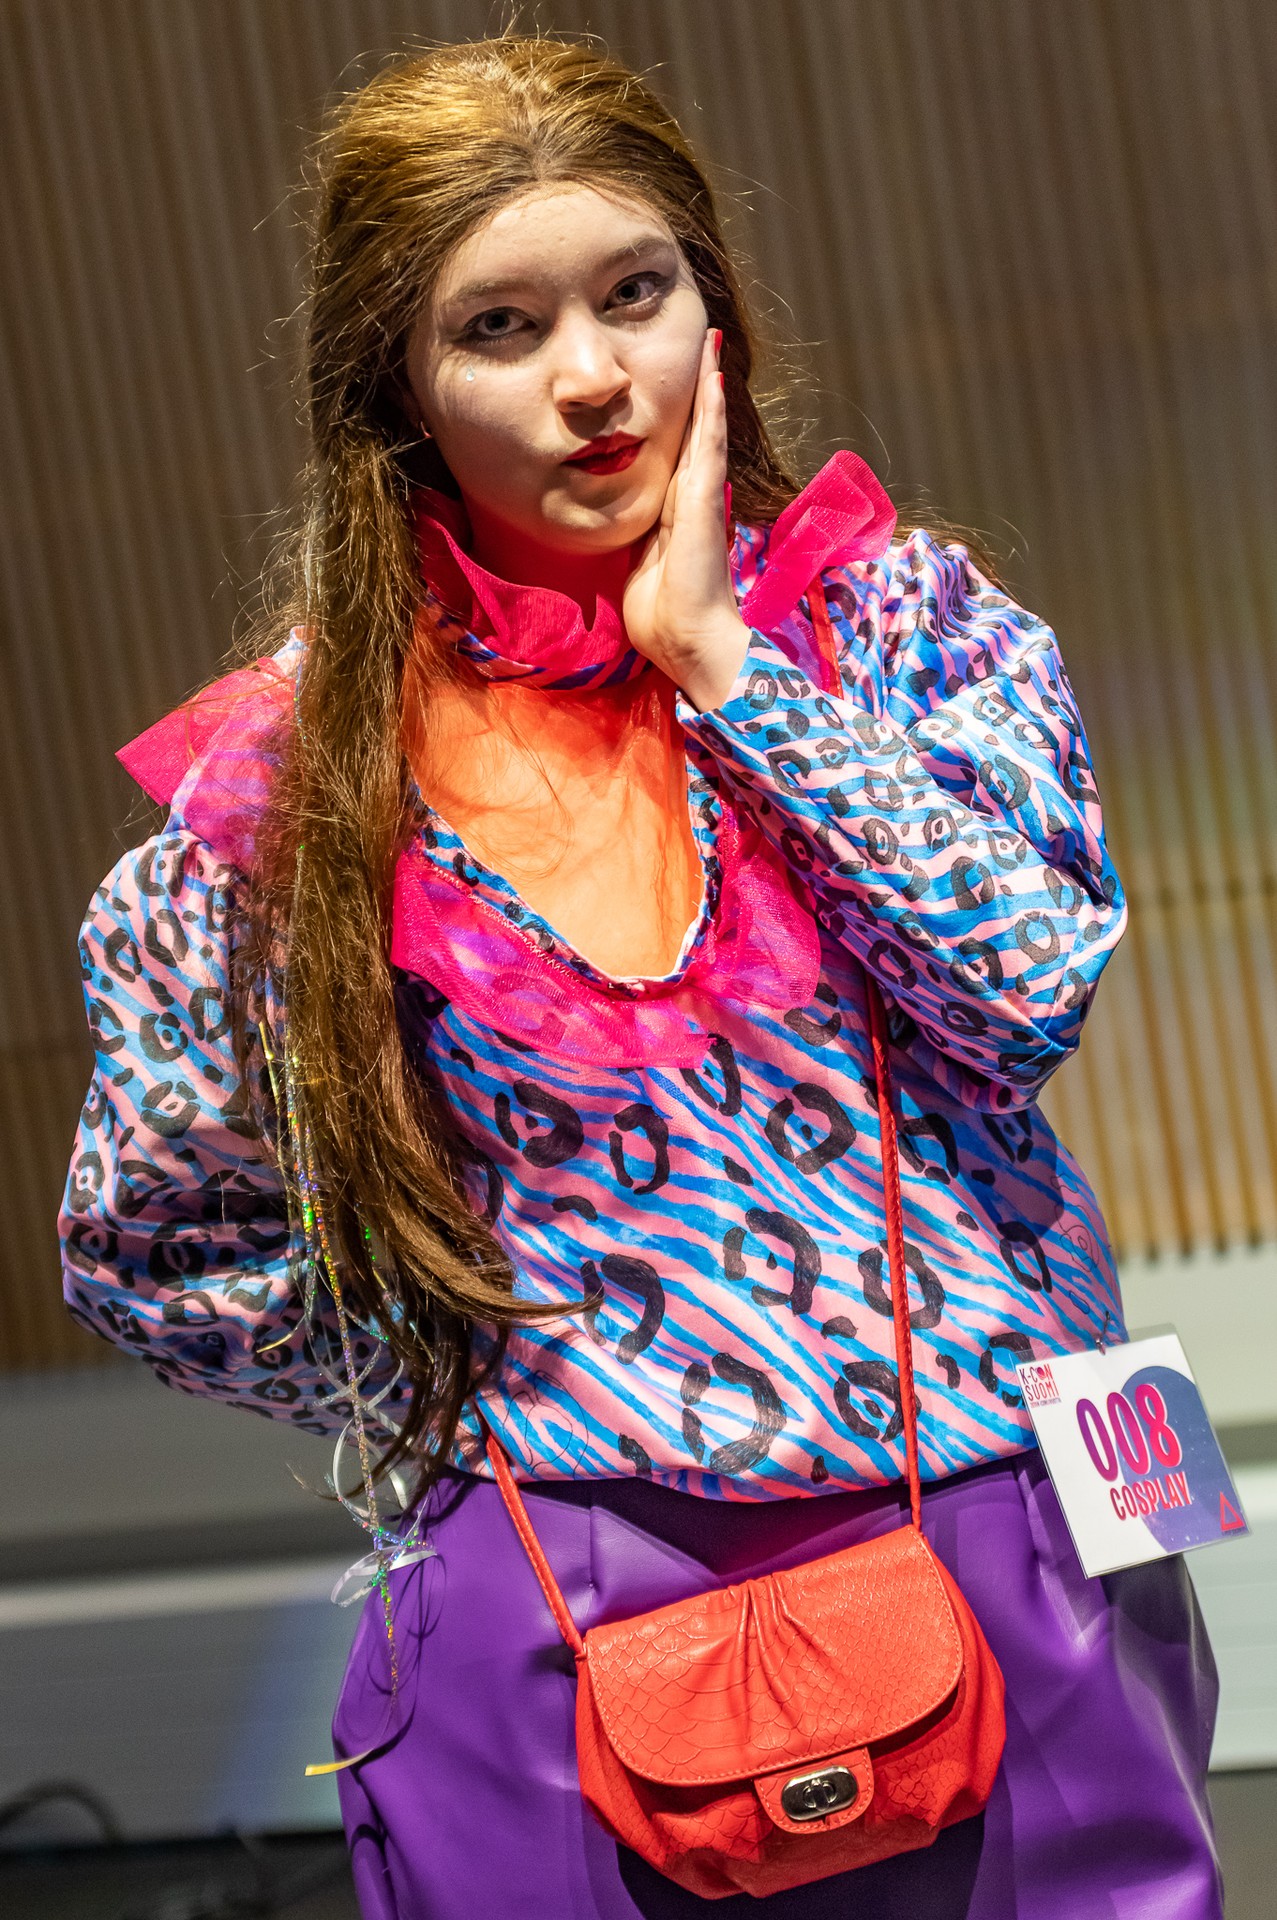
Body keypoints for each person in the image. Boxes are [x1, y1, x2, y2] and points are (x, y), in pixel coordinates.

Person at [60, 35, 1222, 1920]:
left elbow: (1024, 998)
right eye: (499, 328)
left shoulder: (902, 633)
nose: (593, 377)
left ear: (714, 310)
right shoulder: (300, 788)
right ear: (397, 390)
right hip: (566, 1572)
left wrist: (729, 670)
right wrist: (497, 1362)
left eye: (634, 292)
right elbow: (155, 1249)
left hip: (1009, 1515)